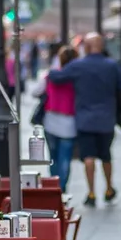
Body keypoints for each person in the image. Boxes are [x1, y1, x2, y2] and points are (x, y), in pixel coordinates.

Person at [49, 33, 121, 207]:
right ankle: (109, 188)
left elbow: (57, 77)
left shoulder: (79, 65)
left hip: (85, 118)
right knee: (106, 155)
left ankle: (91, 192)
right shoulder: (112, 65)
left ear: (86, 47)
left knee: (88, 156)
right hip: (106, 118)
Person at [42, 47, 80, 190]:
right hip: (69, 123)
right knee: (65, 158)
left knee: (53, 157)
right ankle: (61, 187)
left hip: (50, 120)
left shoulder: (51, 75)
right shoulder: (77, 79)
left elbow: (36, 92)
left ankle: (52, 185)